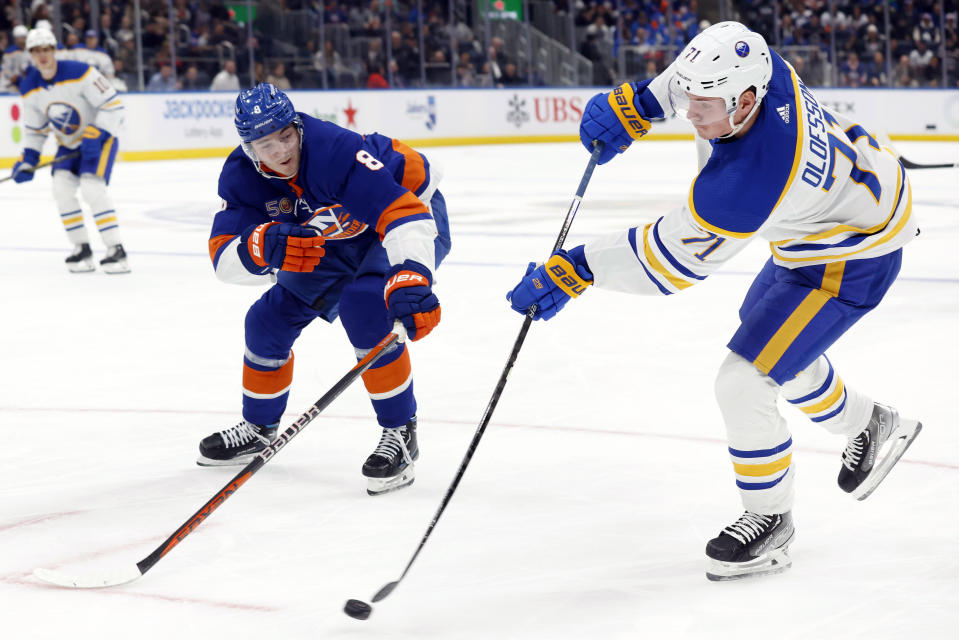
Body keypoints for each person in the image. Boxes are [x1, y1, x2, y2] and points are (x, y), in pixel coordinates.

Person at [507, 22, 921, 580]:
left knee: (744, 379)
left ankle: (770, 520)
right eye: (688, 100)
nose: (689, 115)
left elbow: (669, 262)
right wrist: (641, 104)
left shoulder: (748, 181)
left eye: (702, 106)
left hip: (855, 252)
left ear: (746, 100)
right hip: (833, 218)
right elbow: (684, 78)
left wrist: (577, 269)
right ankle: (869, 424)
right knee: (770, 343)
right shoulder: (747, 55)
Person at [200, 84, 451, 497]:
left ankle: (400, 433)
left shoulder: (332, 149)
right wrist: (257, 247)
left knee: (365, 304)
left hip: (413, 210)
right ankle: (260, 427)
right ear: (249, 147)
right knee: (266, 321)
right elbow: (222, 256)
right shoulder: (242, 177)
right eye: (266, 143)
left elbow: (403, 214)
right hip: (337, 234)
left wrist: (412, 272)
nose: (281, 150)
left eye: (286, 134)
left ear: (297, 126)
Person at [10, 27, 129, 273]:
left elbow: (114, 105)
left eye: (46, 50)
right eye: (36, 51)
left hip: (100, 139)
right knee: (61, 189)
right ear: (30, 54)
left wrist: (96, 133)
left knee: (91, 188)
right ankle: (81, 249)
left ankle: (116, 250)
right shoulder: (29, 87)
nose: (42, 56)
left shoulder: (81, 72)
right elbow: (36, 131)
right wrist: (28, 159)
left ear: (54, 50)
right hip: (68, 144)